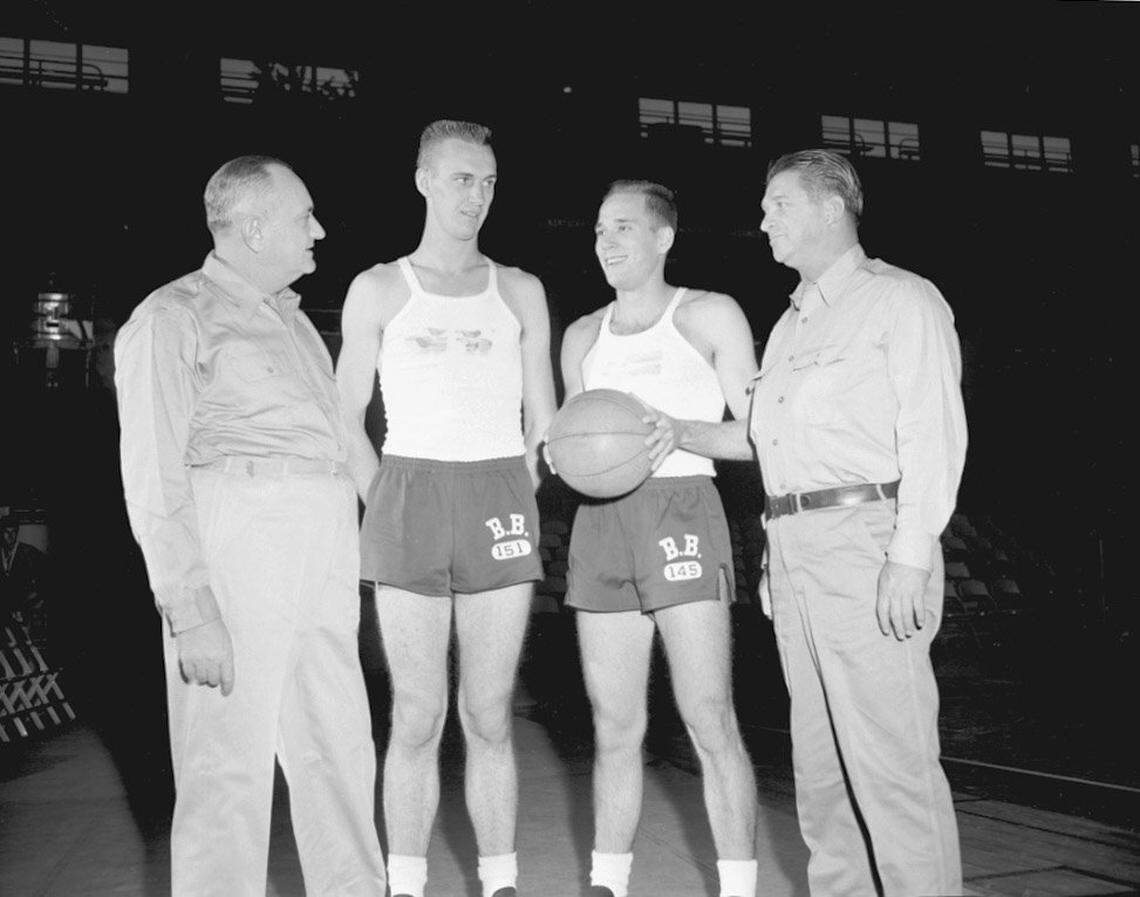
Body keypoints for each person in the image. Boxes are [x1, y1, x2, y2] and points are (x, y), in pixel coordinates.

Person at [644, 149, 967, 896]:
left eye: (776, 205)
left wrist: (910, 554)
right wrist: (673, 430)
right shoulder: (788, 326)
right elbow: (762, 433)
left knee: (892, 771)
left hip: (869, 545)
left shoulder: (902, 302)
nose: (762, 221)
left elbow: (934, 433)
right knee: (821, 778)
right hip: (792, 554)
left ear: (830, 208)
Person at [114, 156, 387, 897]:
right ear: (256, 225)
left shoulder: (297, 325)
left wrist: (394, 542)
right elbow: (154, 476)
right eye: (306, 216)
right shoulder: (171, 317)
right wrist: (191, 610)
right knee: (225, 771)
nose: (320, 230)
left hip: (323, 540)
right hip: (240, 541)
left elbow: (338, 442)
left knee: (340, 751)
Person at [336, 120, 557, 897]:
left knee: (491, 711)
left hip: (495, 488)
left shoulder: (521, 289)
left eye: (490, 181)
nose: (478, 195)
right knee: (418, 713)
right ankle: (406, 883)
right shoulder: (379, 288)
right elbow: (343, 413)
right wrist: (386, 499)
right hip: (408, 487)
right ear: (424, 179)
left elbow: (545, 419)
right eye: (464, 178)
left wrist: (515, 488)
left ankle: (500, 883)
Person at [555, 180, 760, 897]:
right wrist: (561, 454)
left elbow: (763, 431)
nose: (605, 243)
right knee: (614, 723)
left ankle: (738, 888)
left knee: (709, 716)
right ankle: (606, 884)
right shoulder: (581, 335)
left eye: (622, 228)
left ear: (664, 237)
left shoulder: (708, 314)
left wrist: (681, 429)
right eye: (598, 231)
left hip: (681, 507)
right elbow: (576, 443)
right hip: (603, 523)